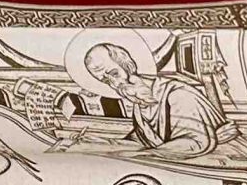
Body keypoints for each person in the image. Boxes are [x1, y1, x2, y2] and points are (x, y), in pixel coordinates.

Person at [82, 42, 232, 162]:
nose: (116, 84)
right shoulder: (140, 101)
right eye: (106, 81)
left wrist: (140, 155)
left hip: (217, 160)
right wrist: (103, 142)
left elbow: (195, 143)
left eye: (114, 74)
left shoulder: (177, 94)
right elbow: (142, 141)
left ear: (127, 66)